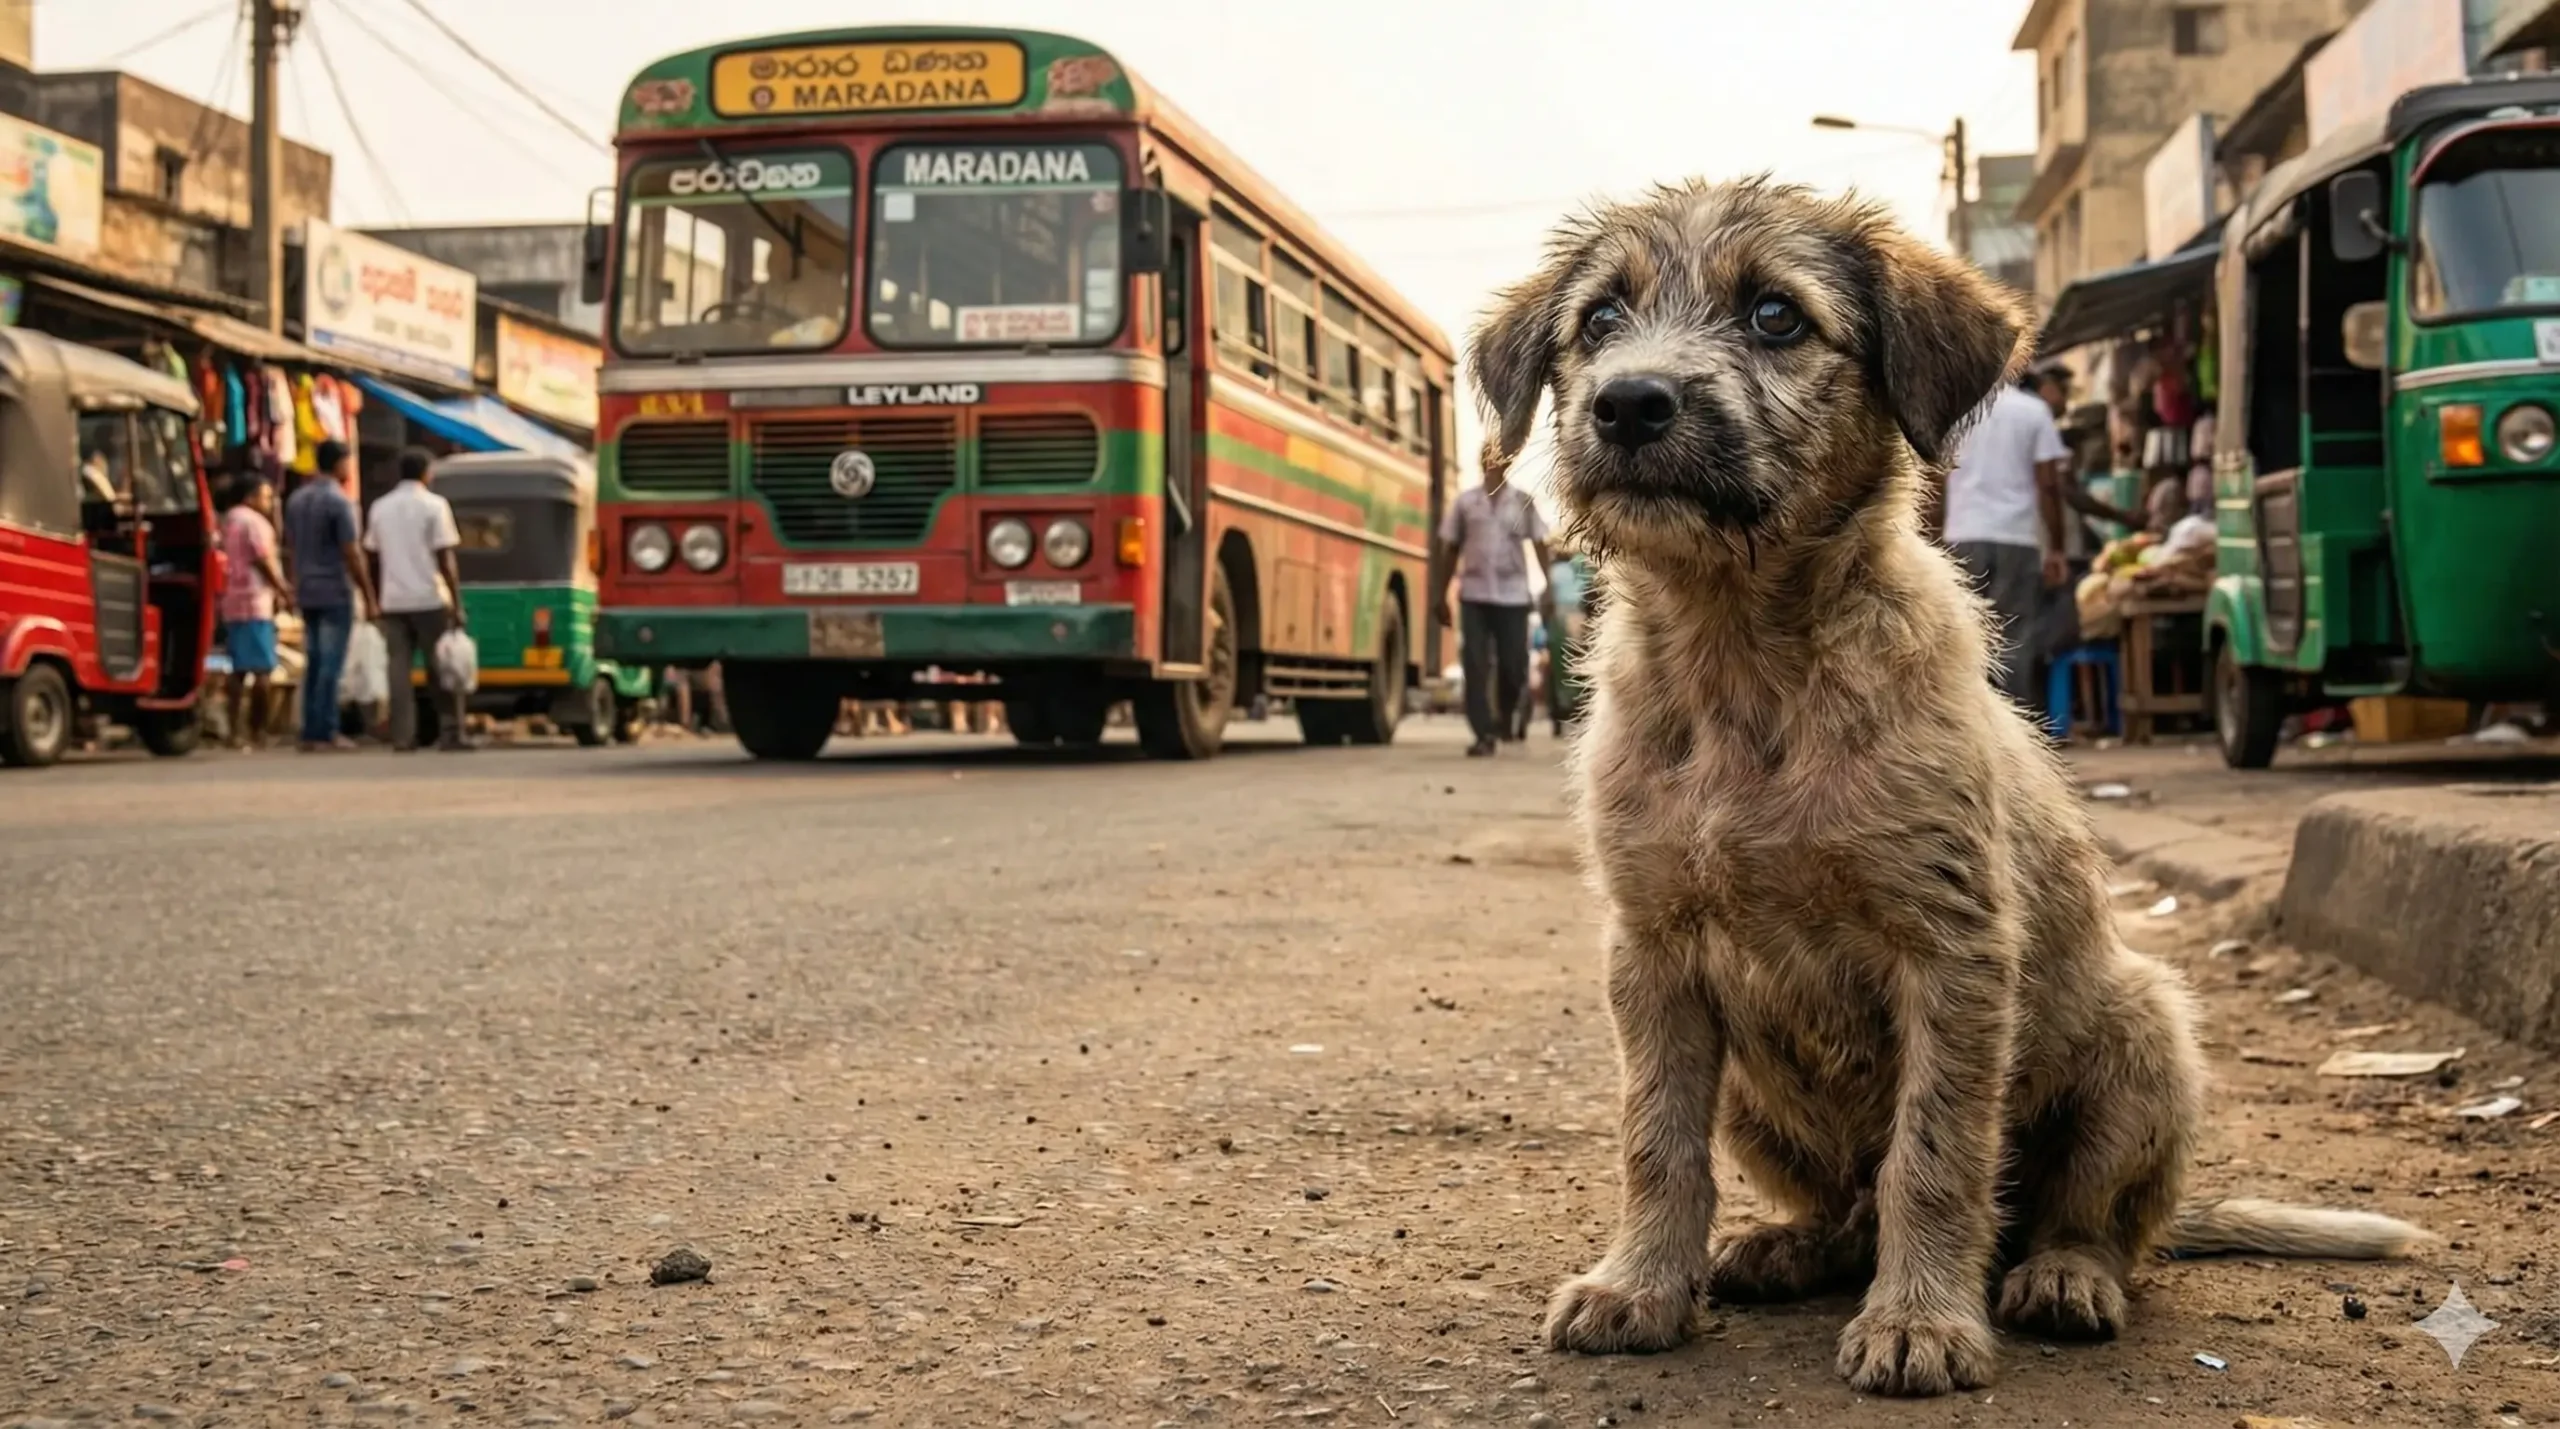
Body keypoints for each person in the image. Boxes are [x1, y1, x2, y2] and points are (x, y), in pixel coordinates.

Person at [1938, 371, 2075, 709]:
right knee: (2014, 640)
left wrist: (1934, 540)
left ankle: (1965, 732)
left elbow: (1934, 482)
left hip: (1963, 537)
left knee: (1960, 641)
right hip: (2016, 538)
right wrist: (2057, 548)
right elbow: (2048, 485)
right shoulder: (2033, 411)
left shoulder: (1957, 410)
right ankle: (2012, 739)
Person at [1435, 445, 1556, 757]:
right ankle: (1483, 732)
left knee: (1513, 666)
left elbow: (1541, 543)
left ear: (1508, 462)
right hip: (1474, 593)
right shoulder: (1465, 503)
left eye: (1501, 459)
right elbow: (1450, 548)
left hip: (1514, 595)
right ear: (1482, 462)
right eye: (1490, 458)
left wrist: (1549, 586)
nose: (1495, 464)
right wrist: (1440, 594)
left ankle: (1506, 713)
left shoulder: (1523, 503)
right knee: (1475, 663)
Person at [365, 447, 470, 752]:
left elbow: (371, 554)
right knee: (442, 667)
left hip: (393, 600)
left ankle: (403, 736)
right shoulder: (435, 506)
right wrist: (456, 601)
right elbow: (445, 558)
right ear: (427, 473)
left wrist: (375, 597)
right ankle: (451, 732)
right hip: (428, 598)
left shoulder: (380, 507)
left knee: (398, 670)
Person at [282, 441, 377, 752]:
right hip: (334, 589)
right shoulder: (340, 502)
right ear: (338, 464)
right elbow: (352, 552)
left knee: (315, 661)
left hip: (307, 589)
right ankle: (326, 730)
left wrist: (293, 585)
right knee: (330, 664)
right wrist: (369, 595)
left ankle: (310, 731)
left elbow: (292, 548)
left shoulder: (296, 500)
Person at [218, 478, 293, 749]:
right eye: (265, 496)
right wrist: (283, 589)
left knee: (238, 669)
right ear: (250, 496)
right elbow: (263, 559)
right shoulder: (254, 523)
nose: (269, 502)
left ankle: (233, 731)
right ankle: (257, 731)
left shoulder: (226, 520)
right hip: (255, 600)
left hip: (230, 600)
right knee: (262, 669)